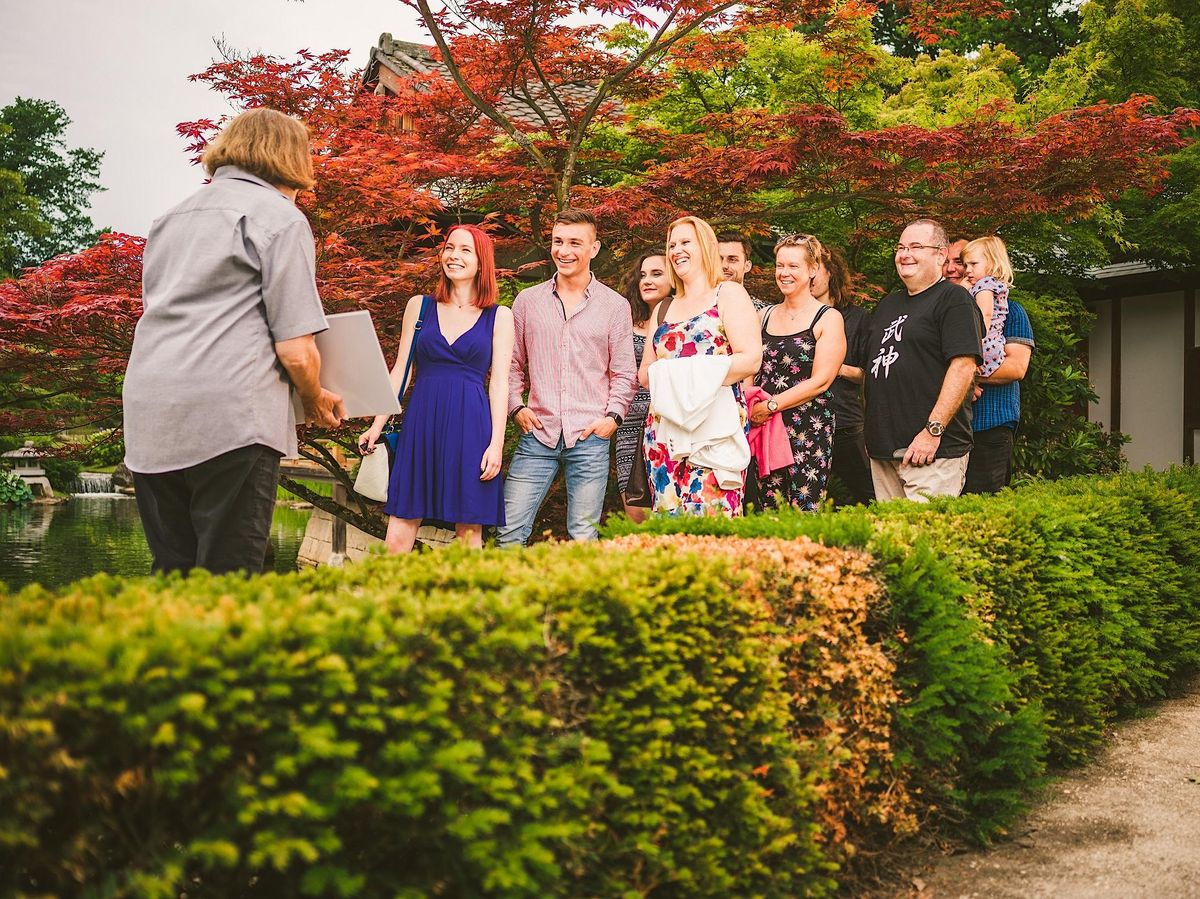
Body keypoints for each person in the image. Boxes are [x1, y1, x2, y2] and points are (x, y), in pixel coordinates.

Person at [123, 107, 344, 575]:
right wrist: (316, 398)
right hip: (230, 416)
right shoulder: (280, 219)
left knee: (174, 572)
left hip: (150, 411)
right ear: (289, 156)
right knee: (233, 579)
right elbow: (295, 347)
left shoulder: (170, 218)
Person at [357, 225, 514, 551]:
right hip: (422, 423)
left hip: (472, 427)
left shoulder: (499, 317)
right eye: (450, 247)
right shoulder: (420, 307)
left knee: (469, 527)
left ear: (482, 261)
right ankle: (386, 599)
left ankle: (469, 602)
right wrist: (376, 425)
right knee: (402, 517)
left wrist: (496, 444)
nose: (454, 255)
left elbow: (500, 383)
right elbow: (400, 371)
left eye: (465, 250)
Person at [498, 208, 638, 546]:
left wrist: (612, 418)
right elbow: (511, 364)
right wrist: (516, 407)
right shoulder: (527, 302)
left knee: (583, 537)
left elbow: (624, 372)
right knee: (509, 533)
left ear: (594, 248)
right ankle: (507, 600)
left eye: (575, 242)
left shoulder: (615, 306)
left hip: (590, 436)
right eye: (558, 241)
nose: (564, 250)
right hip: (538, 434)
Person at [641, 216, 762, 516]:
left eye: (685, 242)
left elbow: (750, 358)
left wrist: (688, 373)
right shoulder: (663, 308)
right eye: (671, 244)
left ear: (706, 247)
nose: (676, 250)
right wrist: (678, 376)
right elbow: (645, 373)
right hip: (664, 433)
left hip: (714, 428)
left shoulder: (728, 294)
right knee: (668, 530)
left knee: (714, 524)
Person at [864, 219, 981, 501]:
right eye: (901, 247)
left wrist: (933, 431)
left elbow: (964, 366)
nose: (905, 254)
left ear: (940, 255)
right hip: (884, 451)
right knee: (891, 542)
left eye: (916, 247)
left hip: (932, 452)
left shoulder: (954, 300)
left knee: (924, 541)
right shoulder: (888, 304)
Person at [748, 234, 846, 510]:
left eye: (793, 266)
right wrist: (751, 404)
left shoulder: (827, 317)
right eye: (780, 265)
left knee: (805, 507)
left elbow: (821, 381)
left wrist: (771, 405)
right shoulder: (763, 316)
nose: (784, 273)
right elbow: (750, 367)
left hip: (808, 426)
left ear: (812, 269)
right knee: (769, 507)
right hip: (764, 425)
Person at [811, 245, 875, 506]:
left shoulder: (857, 318)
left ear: (831, 273)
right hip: (803, 424)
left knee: (868, 497)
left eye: (817, 271)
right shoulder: (788, 317)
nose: (810, 277)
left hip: (845, 422)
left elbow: (869, 374)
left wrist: (832, 366)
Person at [614, 250, 672, 522]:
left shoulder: (687, 324)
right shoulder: (624, 322)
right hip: (628, 424)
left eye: (657, 274)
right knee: (636, 511)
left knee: (670, 505)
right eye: (643, 275)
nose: (647, 280)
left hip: (670, 421)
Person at [964, 298, 1035, 494]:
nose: (953, 268)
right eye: (947, 264)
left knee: (984, 506)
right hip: (941, 432)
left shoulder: (1011, 310)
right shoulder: (940, 309)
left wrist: (964, 377)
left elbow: (1016, 368)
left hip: (989, 428)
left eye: (966, 264)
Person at [962, 236, 1012, 378]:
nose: (968, 270)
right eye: (966, 265)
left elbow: (985, 314)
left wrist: (977, 344)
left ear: (992, 263)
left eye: (973, 264)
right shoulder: (989, 284)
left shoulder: (984, 285)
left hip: (984, 345)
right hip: (993, 345)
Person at [717, 231, 768, 309]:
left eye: (732, 259)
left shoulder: (761, 311)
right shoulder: (697, 308)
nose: (724, 265)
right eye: (718, 259)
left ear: (747, 266)